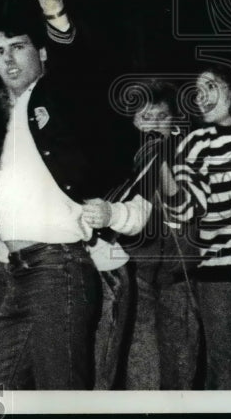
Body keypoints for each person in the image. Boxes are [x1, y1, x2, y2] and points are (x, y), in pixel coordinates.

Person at [0, 0, 122, 390]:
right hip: (18, 273)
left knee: (61, 395)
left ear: (41, 54)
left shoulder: (57, 99)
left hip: (57, 268)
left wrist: (53, 10)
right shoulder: (11, 117)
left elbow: (79, 68)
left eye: (18, 47)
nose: (7, 58)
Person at [80, 79, 201, 389]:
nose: (153, 126)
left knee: (181, 367)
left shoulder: (186, 155)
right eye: (144, 118)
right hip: (136, 276)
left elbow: (189, 210)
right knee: (140, 366)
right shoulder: (121, 164)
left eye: (161, 117)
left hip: (180, 278)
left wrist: (163, 162)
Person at [162, 65, 231, 389]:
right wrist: (159, 166)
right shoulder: (196, 144)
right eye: (197, 90)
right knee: (227, 368)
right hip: (220, 276)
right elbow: (186, 209)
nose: (201, 97)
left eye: (211, 85)